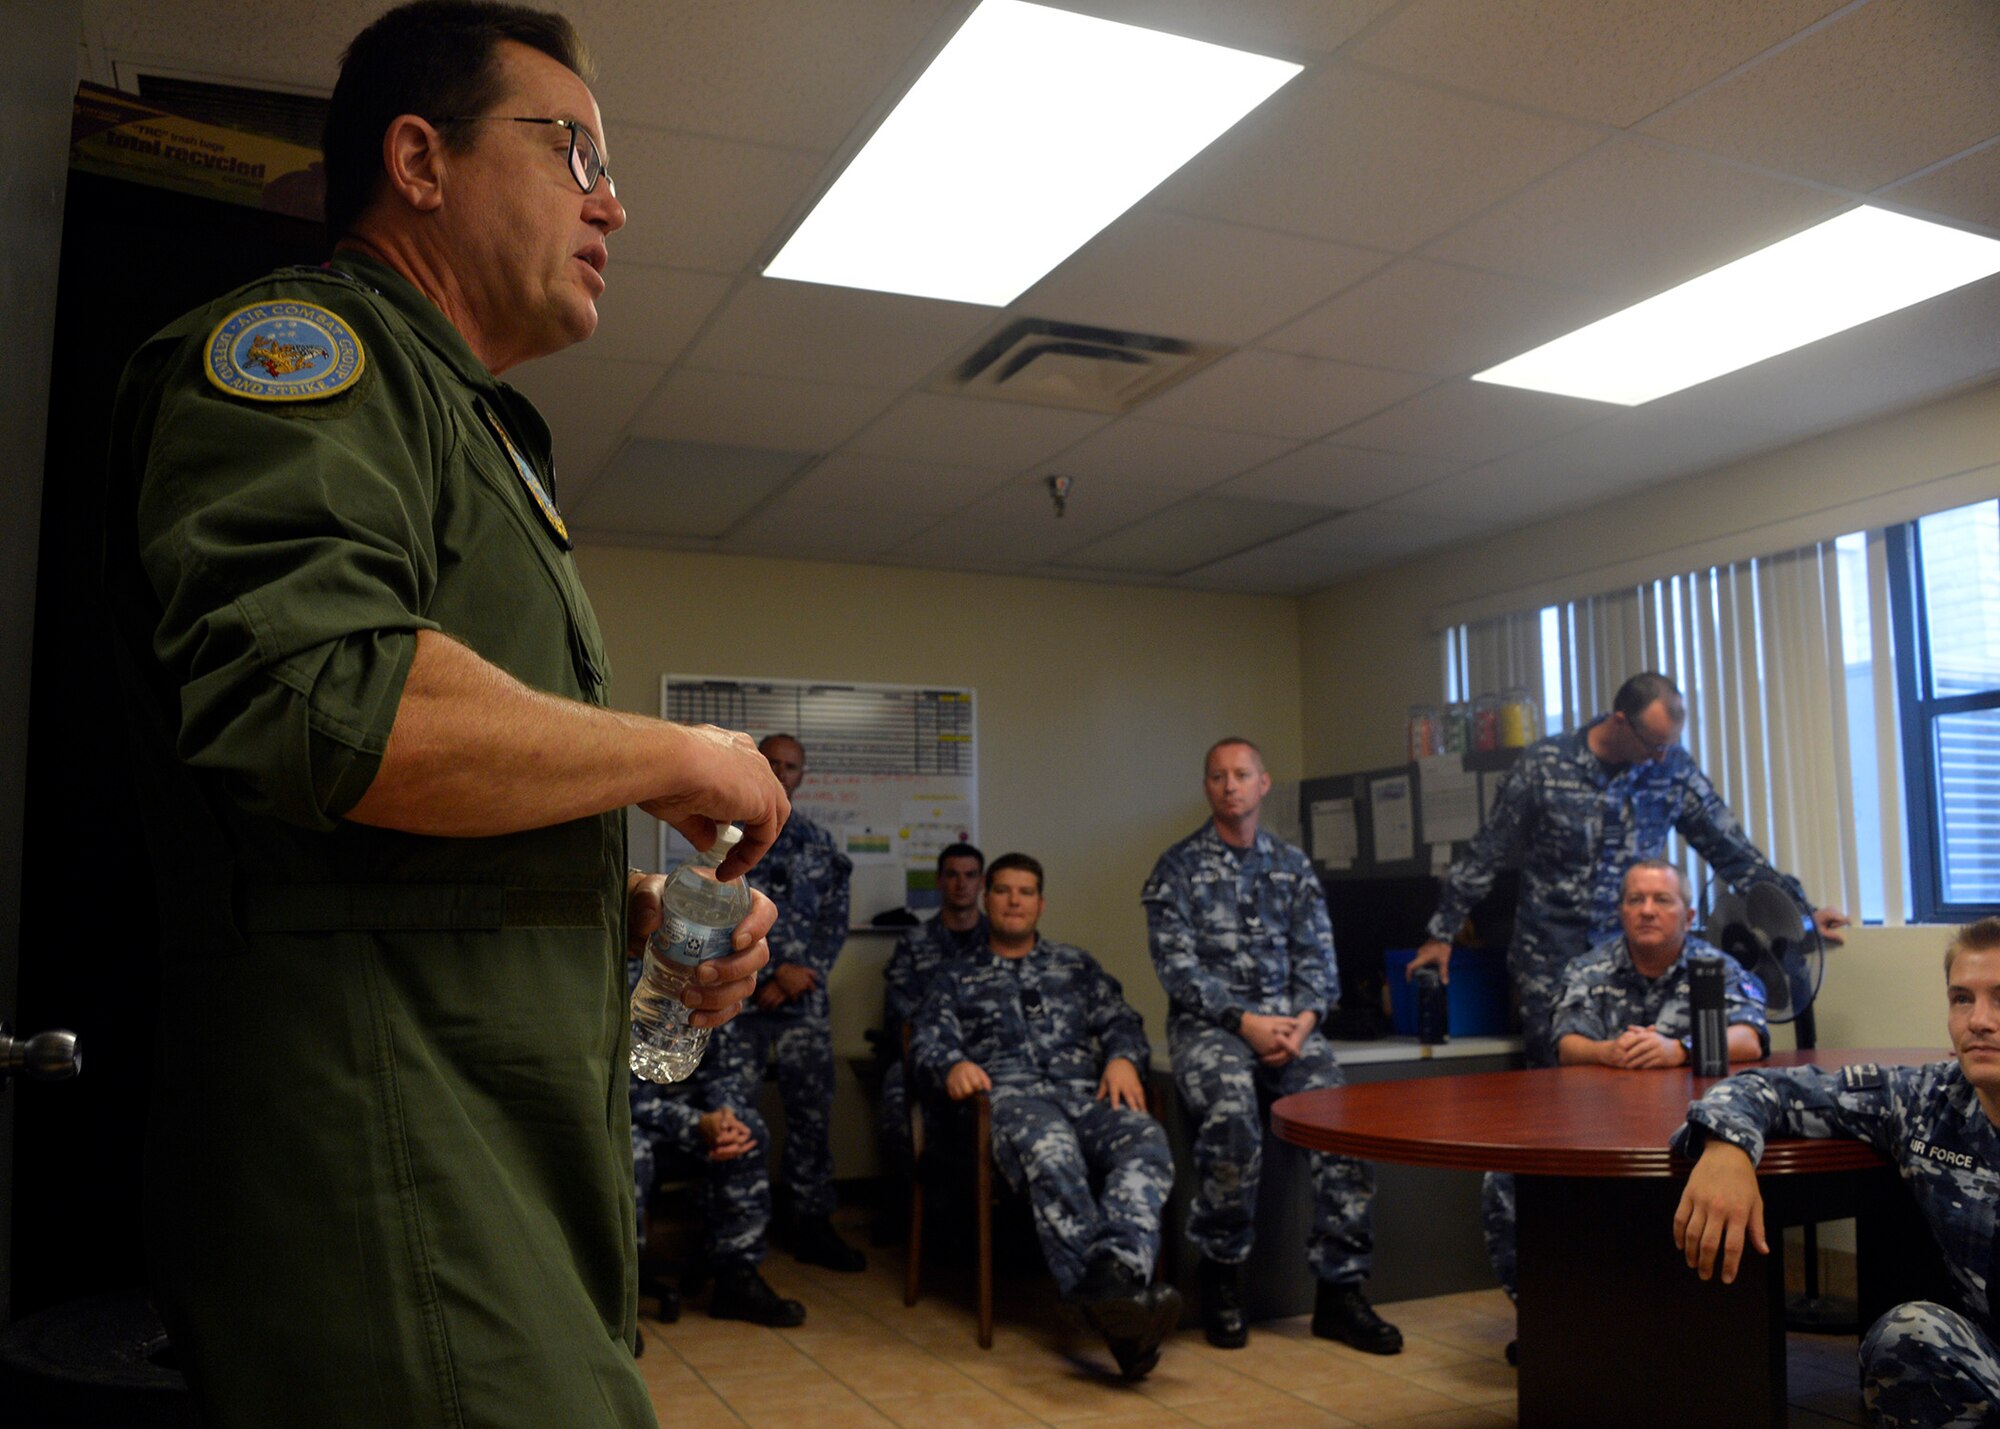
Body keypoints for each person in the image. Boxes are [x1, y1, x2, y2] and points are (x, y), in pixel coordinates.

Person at [102, 6, 785, 1425]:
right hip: (386, 1167)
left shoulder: (469, 428)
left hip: (494, 1151)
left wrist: (632, 920)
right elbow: (322, 701)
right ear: (418, 158)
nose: (614, 199)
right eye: (571, 148)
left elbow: (420, 845)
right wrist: (675, 750)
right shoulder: (303, 354)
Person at [1411, 671, 1847, 1069]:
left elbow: (1729, 847)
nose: (1660, 757)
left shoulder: (1672, 769)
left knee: (1651, 1068)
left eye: (1668, 746)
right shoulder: (1545, 765)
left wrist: (1799, 911)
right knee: (1555, 1079)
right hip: (1552, 958)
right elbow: (1486, 851)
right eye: (1653, 745)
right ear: (1620, 721)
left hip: (1638, 961)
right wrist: (1441, 934)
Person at [1672, 918, 2000, 1429]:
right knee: (1907, 1334)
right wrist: (1726, 1149)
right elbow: (1770, 1088)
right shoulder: (1928, 1102)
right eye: (1962, 998)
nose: (1979, 1020)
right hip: (1991, 1362)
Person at [1142, 738, 1402, 1355]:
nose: (1229, 786)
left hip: (1292, 1028)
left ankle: (1340, 1294)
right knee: (1232, 1113)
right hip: (1211, 1030)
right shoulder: (1175, 868)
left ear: (1263, 784)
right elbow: (1176, 969)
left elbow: (1320, 957)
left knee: (1342, 1123)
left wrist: (1305, 1020)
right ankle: (1223, 1281)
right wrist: (1247, 1022)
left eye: (1241, 775)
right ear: (1207, 788)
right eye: (1217, 776)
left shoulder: (1292, 865)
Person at [912, 854, 1182, 1379]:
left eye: (1027, 891)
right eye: (1005, 890)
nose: (1015, 900)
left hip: (1086, 1096)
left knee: (1145, 1138)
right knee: (1050, 1145)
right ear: (987, 898)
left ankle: (1113, 1274)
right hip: (1008, 1103)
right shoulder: (955, 976)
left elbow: (1123, 1019)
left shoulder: (1076, 967)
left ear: (1041, 903)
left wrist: (1125, 1057)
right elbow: (926, 1040)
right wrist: (953, 1064)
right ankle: (1123, 1321)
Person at [1482, 859, 1769, 1321]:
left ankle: (1698, 1322)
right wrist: (1609, 1052)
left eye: (1662, 900)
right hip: (1598, 1131)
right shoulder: (1590, 968)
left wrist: (1680, 1048)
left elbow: (1750, 1039)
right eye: (1635, 900)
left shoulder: (1715, 969)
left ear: (1689, 916)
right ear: (1620, 911)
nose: (1648, 911)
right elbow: (1567, 1044)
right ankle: (1545, 1320)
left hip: (1690, 1132)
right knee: (1506, 1180)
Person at [704, 734, 865, 1272]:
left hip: (803, 1005)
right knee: (732, 1112)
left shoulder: (821, 845)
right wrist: (771, 973)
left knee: (811, 1116)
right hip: (736, 998)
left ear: (801, 776)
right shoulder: (720, 839)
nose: (780, 772)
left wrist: (804, 974)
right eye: (770, 763)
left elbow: (834, 921)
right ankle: (732, 1239)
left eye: (790, 766)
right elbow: (704, 915)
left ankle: (812, 1223)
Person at [629, 1023, 805, 1334]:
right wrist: (696, 1123)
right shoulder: (620, 978)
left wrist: (726, 1115)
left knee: (747, 1131)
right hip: (625, 1115)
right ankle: (616, 1300)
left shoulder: (704, 976)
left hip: (689, 1113)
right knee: (628, 1150)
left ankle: (736, 1276)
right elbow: (621, 1093)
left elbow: (726, 1069)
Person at [879, 842, 988, 1163]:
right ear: (939, 881)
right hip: (926, 1053)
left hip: (989, 1052)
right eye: (952, 875)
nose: (961, 883)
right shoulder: (914, 944)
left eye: (970, 875)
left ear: (982, 883)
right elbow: (901, 1014)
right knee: (898, 1110)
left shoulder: (997, 940)